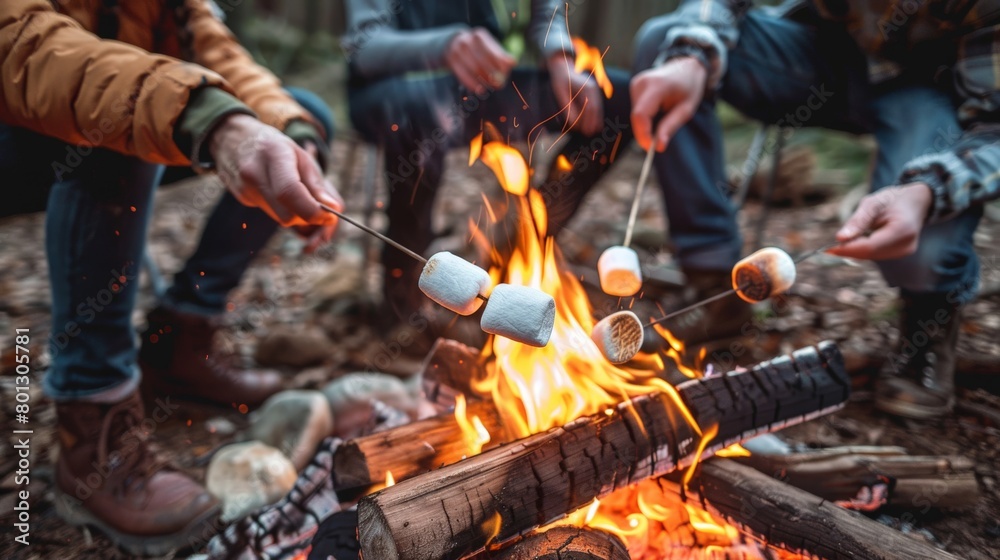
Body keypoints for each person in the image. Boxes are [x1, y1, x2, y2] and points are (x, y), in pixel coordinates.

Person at [0, 0, 343, 554]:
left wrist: (291, 132)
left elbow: (214, 50)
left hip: (95, 99)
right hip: (23, 119)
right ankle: (93, 420)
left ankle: (180, 341)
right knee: (123, 112)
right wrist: (215, 122)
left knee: (300, 114)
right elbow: (22, 44)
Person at [630, 0, 999, 418]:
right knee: (665, 40)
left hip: (929, 90)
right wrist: (693, 54)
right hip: (817, 57)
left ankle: (928, 321)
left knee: (925, 246)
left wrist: (930, 189)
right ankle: (714, 284)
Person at [343, 0, 633, 323]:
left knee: (618, 100)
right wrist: (447, 45)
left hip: (479, 87)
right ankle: (402, 299)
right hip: (392, 91)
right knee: (418, 115)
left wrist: (560, 59)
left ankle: (524, 247)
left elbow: (545, 11)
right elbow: (364, 46)